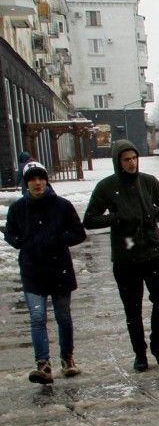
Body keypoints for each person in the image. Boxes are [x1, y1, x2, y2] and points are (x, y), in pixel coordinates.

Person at [83, 139, 159, 371]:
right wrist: (115, 217)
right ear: (118, 162)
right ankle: (140, 353)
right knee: (132, 309)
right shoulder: (107, 187)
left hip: (152, 254)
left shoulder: (148, 182)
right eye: (126, 160)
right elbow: (89, 219)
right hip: (125, 260)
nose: (131, 163)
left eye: (134, 158)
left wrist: (154, 212)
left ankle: (157, 344)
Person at [4, 162, 87, 383]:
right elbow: (10, 233)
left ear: (46, 180)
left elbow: (79, 233)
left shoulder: (62, 206)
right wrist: (19, 241)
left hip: (59, 269)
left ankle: (67, 359)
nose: (37, 183)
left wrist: (57, 240)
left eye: (41, 178)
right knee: (37, 317)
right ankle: (43, 365)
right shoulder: (18, 208)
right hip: (32, 271)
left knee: (63, 317)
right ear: (26, 183)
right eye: (32, 179)